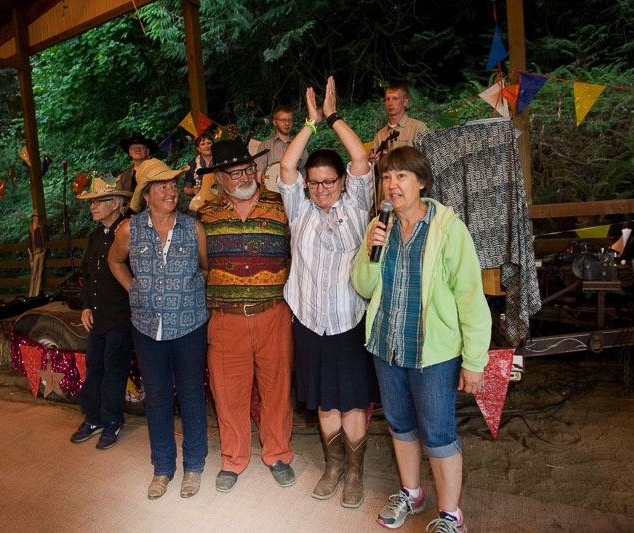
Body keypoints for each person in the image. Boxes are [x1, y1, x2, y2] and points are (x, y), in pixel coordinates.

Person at [351, 147, 491, 533]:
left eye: (401, 176)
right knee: (400, 426)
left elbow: (470, 296)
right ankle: (412, 494)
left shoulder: (448, 228)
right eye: (386, 177)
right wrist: (371, 252)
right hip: (387, 346)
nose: (392, 185)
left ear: (422, 182)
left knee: (438, 433)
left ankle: (450, 516)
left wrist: (474, 360)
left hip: (433, 353)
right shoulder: (379, 227)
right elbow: (363, 287)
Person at [279, 76, 379, 509]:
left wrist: (334, 117)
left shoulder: (357, 205)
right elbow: (286, 167)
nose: (322, 189)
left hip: (349, 318)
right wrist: (309, 123)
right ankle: (333, 466)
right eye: (315, 182)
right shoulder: (298, 207)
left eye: (329, 181)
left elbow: (360, 157)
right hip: (308, 320)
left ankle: (354, 472)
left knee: (353, 401)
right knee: (324, 401)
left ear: (342, 181)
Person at [196, 139, 295, 493]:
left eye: (248, 169)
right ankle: (233, 458)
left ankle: (278, 453)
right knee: (228, 393)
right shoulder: (205, 215)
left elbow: (296, 253)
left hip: (274, 314)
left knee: (277, 389)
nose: (245, 177)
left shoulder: (282, 206)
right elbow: (203, 265)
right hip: (226, 319)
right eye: (235, 173)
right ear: (219, 178)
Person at [108, 158, 210, 500]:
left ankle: (194, 466)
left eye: (173, 185)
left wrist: (189, 296)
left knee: (192, 394)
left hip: (190, 325)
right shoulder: (129, 229)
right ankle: (163, 467)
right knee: (158, 398)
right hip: (147, 327)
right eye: (162, 187)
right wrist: (134, 289)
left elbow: (206, 269)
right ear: (146, 195)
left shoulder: (193, 228)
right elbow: (115, 261)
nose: (171, 192)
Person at [69, 174, 134, 451]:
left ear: (116, 203)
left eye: (99, 201)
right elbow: (87, 274)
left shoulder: (129, 231)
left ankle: (112, 420)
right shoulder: (95, 236)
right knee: (94, 368)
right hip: (96, 316)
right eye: (91, 202)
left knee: (114, 371)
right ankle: (93, 417)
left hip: (121, 316)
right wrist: (85, 305)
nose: (93, 206)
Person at [370, 83, 428, 165]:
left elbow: (425, 161)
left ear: (405, 102)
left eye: (395, 98)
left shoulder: (418, 127)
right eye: (387, 99)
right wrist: (373, 161)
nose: (390, 103)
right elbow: (372, 162)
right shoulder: (380, 134)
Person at [254, 105, 308, 189]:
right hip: (271, 194)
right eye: (283, 120)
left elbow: (303, 172)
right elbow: (259, 174)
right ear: (274, 122)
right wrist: (262, 194)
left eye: (290, 120)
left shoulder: (300, 146)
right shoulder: (265, 145)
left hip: (294, 193)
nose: (287, 123)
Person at [183, 133, 214, 197]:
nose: (207, 146)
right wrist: (193, 190)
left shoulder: (221, 160)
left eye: (209, 143)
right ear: (198, 148)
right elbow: (186, 189)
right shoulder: (192, 165)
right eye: (203, 144)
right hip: (202, 198)